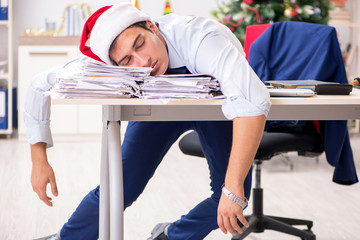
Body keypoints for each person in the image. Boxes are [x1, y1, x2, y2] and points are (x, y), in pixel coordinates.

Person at [28, 3, 271, 240]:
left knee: (232, 195)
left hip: (216, 105)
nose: (142, 62)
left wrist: (231, 189)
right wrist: (39, 161)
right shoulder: (108, 62)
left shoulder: (202, 39)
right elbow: (39, 85)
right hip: (158, 103)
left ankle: (170, 236)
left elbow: (251, 103)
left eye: (140, 44)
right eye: (127, 61)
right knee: (120, 188)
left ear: (152, 27)